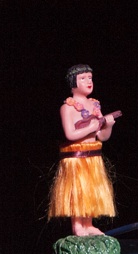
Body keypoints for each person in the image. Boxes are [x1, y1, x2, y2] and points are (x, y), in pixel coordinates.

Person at [48, 64, 121, 236]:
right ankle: (78, 226)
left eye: (90, 78)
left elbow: (102, 136)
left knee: (91, 190)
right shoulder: (67, 108)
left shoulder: (95, 104)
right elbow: (70, 134)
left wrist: (108, 126)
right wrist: (91, 127)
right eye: (83, 78)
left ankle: (88, 224)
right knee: (78, 191)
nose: (88, 81)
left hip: (93, 155)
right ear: (73, 83)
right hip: (76, 157)